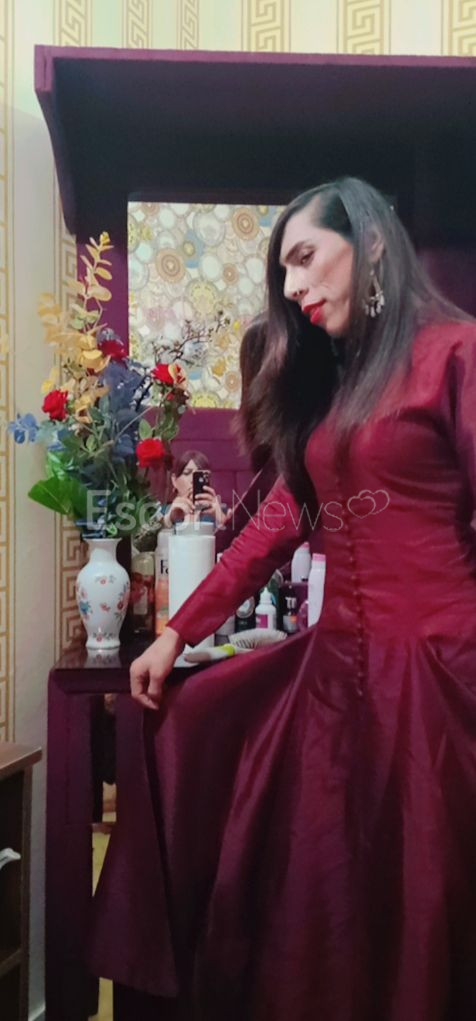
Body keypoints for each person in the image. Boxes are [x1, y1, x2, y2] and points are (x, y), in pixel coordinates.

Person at [92, 177, 476, 1019]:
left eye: (305, 257)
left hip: (437, 679)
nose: (294, 286)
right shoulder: (340, 384)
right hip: (338, 684)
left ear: (371, 244)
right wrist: (177, 632)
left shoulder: (457, 352)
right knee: (325, 890)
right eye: (284, 272)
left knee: (423, 893)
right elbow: (276, 524)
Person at [162, 449, 227, 529]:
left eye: (199, 476)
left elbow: (235, 535)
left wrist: (221, 517)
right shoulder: (162, 512)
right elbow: (150, 534)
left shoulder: (220, 511)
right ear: (174, 480)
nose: (192, 480)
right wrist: (169, 519)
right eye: (187, 473)